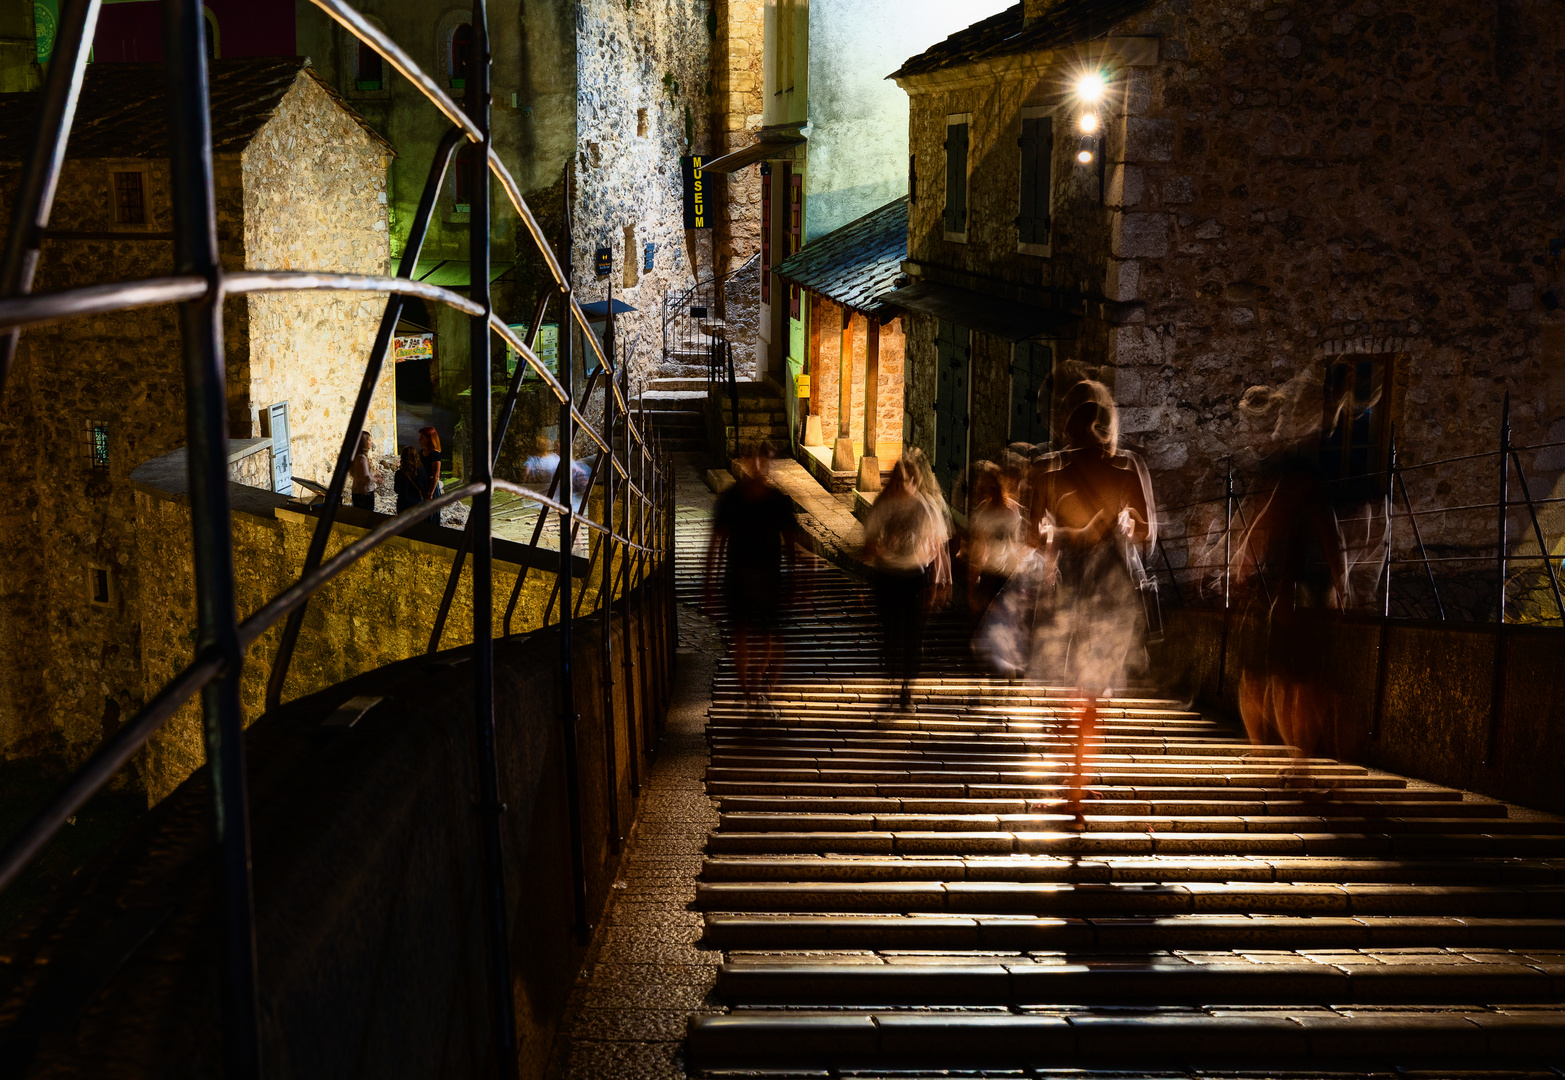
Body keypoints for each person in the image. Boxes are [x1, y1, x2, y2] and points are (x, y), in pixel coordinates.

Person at [1027, 381, 1156, 826]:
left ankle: (1072, 782)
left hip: (1069, 587)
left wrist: (1061, 533)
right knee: (1091, 694)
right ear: (1103, 426)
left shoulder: (1047, 475)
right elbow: (1147, 534)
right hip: (1111, 589)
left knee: (1067, 686)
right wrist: (1122, 523)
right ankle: (1078, 783)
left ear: (1067, 428)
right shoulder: (1125, 470)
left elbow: (1030, 536)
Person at [705, 443, 804, 718]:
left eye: (765, 462)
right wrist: (708, 584)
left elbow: (791, 543)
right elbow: (716, 542)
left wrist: (797, 578)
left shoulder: (777, 500)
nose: (760, 467)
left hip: (769, 577)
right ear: (749, 463)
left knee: (765, 636)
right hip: (738, 575)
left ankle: (757, 685)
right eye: (756, 461)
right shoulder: (731, 499)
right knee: (740, 636)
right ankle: (749, 689)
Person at [862, 448, 951, 713]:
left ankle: (906, 692)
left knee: (914, 638)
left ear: (915, 480)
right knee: (890, 635)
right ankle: (891, 686)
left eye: (908, 479)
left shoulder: (925, 508)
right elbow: (867, 544)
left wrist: (937, 584)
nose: (904, 485)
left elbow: (938, 548)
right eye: (899, 480)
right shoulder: (882, 505)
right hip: (886, 577)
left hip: (915, 577)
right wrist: (873, 555)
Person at [349, 431, 378, 511]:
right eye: (369, 440)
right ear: (363, 442)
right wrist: (376, 479)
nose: (371, 442)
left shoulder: (356, 457)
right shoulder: (362, 458)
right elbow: (365, 478)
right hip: (364, 494)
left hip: (357, 492)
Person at [393, 446, 424, 513]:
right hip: (417, 504)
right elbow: (423, 488)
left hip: (403, 505)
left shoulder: (399, 473)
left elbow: (397, 489)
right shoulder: (421, 472)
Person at [417, 425, 444, 501]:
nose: (419, 440)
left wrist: (430, 493)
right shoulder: (422, 452)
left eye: (422, 438)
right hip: (422, 485)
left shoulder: (435, 454)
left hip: (431, 487)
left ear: (429, 439)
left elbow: (436, 475)